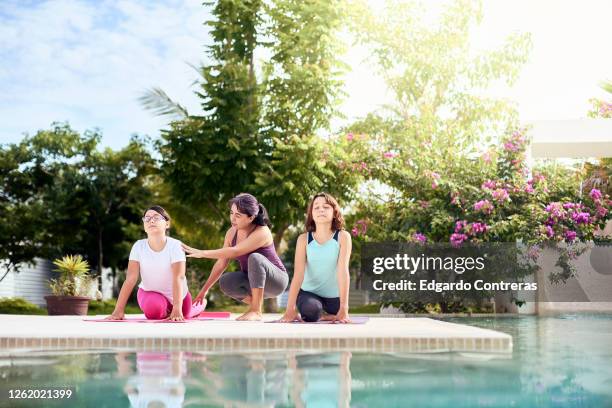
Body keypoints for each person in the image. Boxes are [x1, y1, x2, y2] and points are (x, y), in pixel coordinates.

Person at [183, 193, 288, 321]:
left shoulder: (262, 231)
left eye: (238, 215)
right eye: (231, 213)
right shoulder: (231, 233)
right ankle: (256, 305)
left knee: (255, 258)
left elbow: (235, 251)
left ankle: (256, 310)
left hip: (276, 281)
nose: (233, 218)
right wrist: (204, 291)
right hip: (253, 281)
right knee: (226, 281)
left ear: (251, 217)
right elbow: (221, 264)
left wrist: (203, 253)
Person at [105, 205, 199, 321]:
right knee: (154, 310)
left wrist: (177, 308)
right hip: (150, 293)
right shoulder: (138, 246)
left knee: (186, 314)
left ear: (167, 224)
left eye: (156, 217)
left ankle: (198, 307)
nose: (151, 220)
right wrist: (118, 310)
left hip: (180, 297)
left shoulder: (176, 245)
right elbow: (130, 278)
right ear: (144, 226)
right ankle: (165, 311)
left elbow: (178, 277)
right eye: (147, 218)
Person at [280, 193, 352, 323]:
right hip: (309, 293)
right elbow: (298, 275)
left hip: (334, 298)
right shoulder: (303, 240)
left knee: (339, 311)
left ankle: (328, 314)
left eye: (326, 207)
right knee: (310, 311)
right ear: (311, 214)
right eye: (316, 207)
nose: (321, 210)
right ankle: (320, 314)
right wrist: (290, 308)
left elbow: (343, 271)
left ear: (335, 212)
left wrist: (344, 307)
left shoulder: (343, 237)